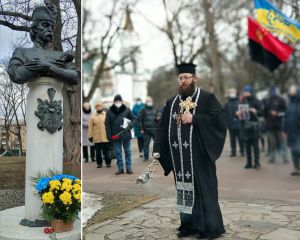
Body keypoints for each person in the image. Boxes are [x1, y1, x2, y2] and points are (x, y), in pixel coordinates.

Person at [153, 63, 226, 239]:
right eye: (181, 78)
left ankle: (211, 228)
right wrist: (157, 149)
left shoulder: (207, 98)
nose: (183, 81)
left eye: (187, 77)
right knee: (184, 191)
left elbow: (219, 120)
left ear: (195, 78)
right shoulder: (172, 103)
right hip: (180, 160)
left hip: (200, 158)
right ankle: (189, 225)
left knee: (204, 192)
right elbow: (162, 127)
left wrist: (195, 118)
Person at [7, 5, 79, 85]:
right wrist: (42, 66)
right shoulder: (22, 52)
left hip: (58, 96)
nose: (50, 29)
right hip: (35, 95)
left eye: (52, 27)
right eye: (45, 25)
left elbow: (75, 77)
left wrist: (49, 66)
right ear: (34, 28)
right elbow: (15, 74)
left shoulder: (61, 55)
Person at [105, 95, 135, 175]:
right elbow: (107, 124)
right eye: (116, 101)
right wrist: (109, 135)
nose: (118, 103)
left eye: (119, 101)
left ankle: (129, 168)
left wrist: (129, 126)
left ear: (122, 102)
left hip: (126, 134)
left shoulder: (127, 110)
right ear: (114, 102)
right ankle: (120, 169)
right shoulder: (109, 111)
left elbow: (134, 119)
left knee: (128, 151)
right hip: (115, 135)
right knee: (118, 153)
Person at [237, 85, 262, 169]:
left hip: (254, 126)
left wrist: (256, 111)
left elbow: (261, 113)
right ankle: (249, 162)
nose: (246, 93)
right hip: (244, 126)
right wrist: (237, 114)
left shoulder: (256, 101)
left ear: (251, 92)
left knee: (255, 145)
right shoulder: (242, 101)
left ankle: (257, 162)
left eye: (247, 91)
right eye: (245, 91)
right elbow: (238, 113)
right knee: (247, 145)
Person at [263, 86, 288, 163]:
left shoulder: (281, 100)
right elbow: (264, 113)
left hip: (279, 125)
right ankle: (272, 157)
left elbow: (285, 112)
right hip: (270, 125)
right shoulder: (267, 100)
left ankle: (285, 157)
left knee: (282, 142)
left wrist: (277, 113)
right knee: (272, 142)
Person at [88, 102, 111, 168]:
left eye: (100, 107)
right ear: (96, 108)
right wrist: (90, 136)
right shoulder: (93, 116)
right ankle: (99, 163)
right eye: (97, 107)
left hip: (105, 136)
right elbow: (90, 127)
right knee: (98, 152)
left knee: (106, 151)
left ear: (102, 107)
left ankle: (108, 162)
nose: (99, 108)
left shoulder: (106, 115)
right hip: (96, 137)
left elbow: (109, 125)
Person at [284, 85, 300, 176]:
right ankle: (296, 168)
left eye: (293, 90)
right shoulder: (289, 105)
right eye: (290, 90)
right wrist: (285, 130)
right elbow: (286, 118)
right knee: (294, 150)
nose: (291, 92)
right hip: (291, 131)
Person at [224, 88, 244, 157]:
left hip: (239, 123)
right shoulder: (227, 103)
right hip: (231, 124)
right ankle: (233, 151)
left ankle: (242, 151)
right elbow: (225, 114)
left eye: (233, 92)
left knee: (241, 138)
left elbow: (243, 111)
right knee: (232, 139)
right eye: (230, 92)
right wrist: (226, 124)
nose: (232, 93)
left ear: (235, 92)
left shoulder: (239, 101)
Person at [139, 96, 159, 161]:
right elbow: (140, 120)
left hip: (155, 130)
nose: (149, 102)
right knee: (146, 144)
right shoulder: (143, 109)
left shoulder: (155, 109)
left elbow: (158, 118)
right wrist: (141, 128)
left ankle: (157, 156)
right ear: (145, 102)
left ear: (152, 101)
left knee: (156, 144)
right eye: (147, 101)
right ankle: (146, 157)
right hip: (146, 130)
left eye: (150, 101)